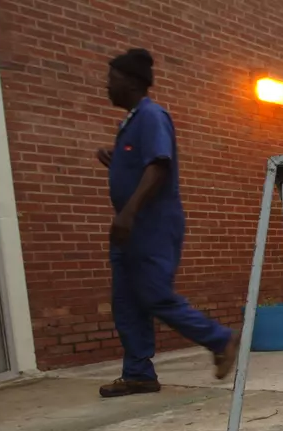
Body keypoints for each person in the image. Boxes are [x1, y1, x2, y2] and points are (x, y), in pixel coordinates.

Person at [96, 48, 237, 398]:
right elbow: (142, 163)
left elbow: (159, 165)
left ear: (131, 82)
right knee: (126, 300)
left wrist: (128, 212)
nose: (106, 86)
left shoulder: (151, 115)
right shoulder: (130, 121)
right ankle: (138, 373)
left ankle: (220, 339)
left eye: (111, 80)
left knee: (154, 293)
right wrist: (116, 164)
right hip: (131, 229)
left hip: (151, 225)